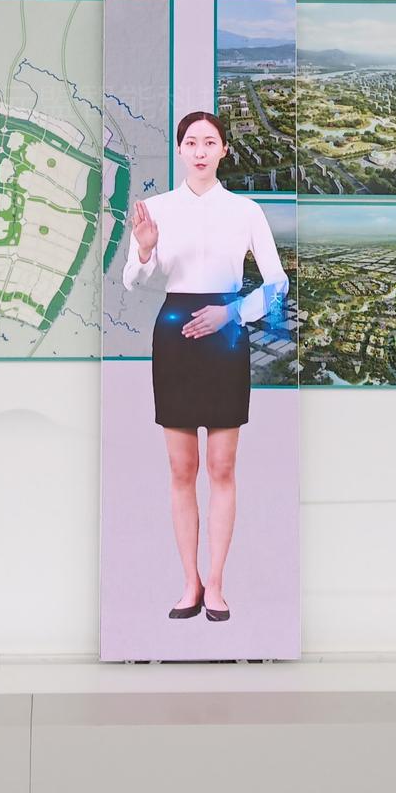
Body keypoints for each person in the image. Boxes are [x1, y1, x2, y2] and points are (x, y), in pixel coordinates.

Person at [124, 109, 288, 623]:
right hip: (175, 335)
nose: (200, 151)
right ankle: (188, 583)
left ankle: (215, 583)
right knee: (181, 470)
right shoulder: (155, 210)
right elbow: (133, 281)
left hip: (226, 335)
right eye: (191, 142)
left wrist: (231, 312)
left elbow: (277, 284)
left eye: (209, 142)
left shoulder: (246, 211)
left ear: (224, 151)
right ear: (179, 150)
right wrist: (145, 252)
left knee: (221, 467)